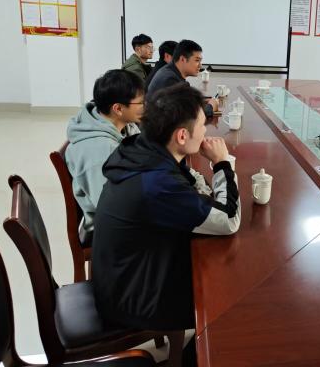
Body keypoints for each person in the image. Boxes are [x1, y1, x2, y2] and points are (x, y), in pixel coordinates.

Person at [92, 83, 240, 366]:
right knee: (226, 298)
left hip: (116, 278)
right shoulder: (157, 185)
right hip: (131, 298)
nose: (206, 132)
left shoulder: (141, 146)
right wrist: (223, 164)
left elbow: (186, 182)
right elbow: (228, 220)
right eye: (202, 125)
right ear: (182, 136)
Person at [65, 70, 144, 235]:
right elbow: (111, 208)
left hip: (131, 199)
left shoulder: (125, 126)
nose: (146, 107)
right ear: (118, 108)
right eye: (141, 103)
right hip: (108, 230)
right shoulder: (98, 153)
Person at [147, 39, 219, 116]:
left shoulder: (171, 71)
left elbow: (185, 101)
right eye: (197, 60)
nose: (200, 66)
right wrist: (210, 106)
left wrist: (200, 101)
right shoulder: (170, 79)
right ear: (182, 59)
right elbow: (189, 115)